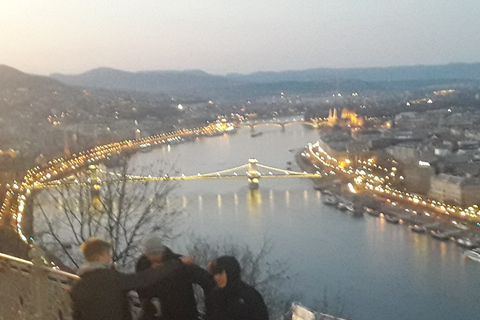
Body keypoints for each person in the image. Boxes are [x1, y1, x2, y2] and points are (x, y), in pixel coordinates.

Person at [70, 237, 187, 320]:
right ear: (100, 256)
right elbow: (144, 278)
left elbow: (77, 315)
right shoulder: (110, 278)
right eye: (107, 254)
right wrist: (177, 263)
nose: (110, 256)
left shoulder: (79, 283)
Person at [135, 236, 215, 320]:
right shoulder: (142, 266)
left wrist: (210, 312)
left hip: (184, 316)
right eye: (150, 254)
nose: (153, 257)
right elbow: (141, 290)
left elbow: (207, 281)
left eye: (156, 253)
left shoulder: (182, 263)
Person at [205, 255, 269, 320]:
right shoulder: (214, 296)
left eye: (220, 272)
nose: (216, 277)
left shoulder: (250, 296)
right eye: (214, 273)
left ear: (230, 272)